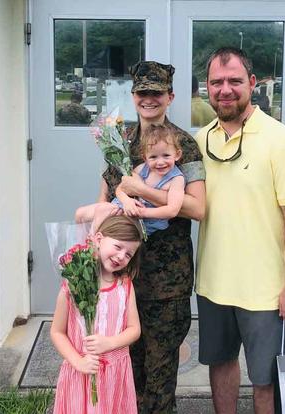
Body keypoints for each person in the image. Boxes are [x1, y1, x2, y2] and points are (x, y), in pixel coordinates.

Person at [194, 47, 285, 414]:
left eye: (234, 81)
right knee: (220, 364)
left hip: (265, 291)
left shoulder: (281, 139)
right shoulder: (199, 141)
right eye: (216, 82)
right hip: (213, 284)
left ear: (252, 84)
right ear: (207, 88)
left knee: (266, 380)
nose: (225, 89)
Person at [100, 61, 206, 413]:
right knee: (126, 369)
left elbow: (197, 208)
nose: (149, 99)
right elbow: (104, 199)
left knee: (160, 378)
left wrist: (143, 190)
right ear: (133, 97)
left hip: (166, 281)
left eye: (156, 93)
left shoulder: (183, 145)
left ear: (170, 96)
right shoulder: (120, 141)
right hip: (123, 276)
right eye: (142, 92)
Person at [50, 215, 143, 414]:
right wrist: (78, 362)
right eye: (118, 247)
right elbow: (57, 332)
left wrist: (110, 343)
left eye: (129, 254)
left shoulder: (125, 285)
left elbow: (135, 329)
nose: (121, 256)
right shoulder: (74, 284)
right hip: (82, 371)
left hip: (114, 375)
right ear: (99, 239)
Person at [75, 124, 185, 237]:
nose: (160, 162)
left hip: (144, 221)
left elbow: (172, 210)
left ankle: (93, 242)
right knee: (80, 214)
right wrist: (126, 201)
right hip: (123, 207)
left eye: (166, 155)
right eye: (153, 157)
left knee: (103, 219)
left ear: (177, 155)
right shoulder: (142, 169)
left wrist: (141, 213)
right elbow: (120, 189)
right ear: (145, 157)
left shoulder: (176, 179)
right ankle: (82, 247)